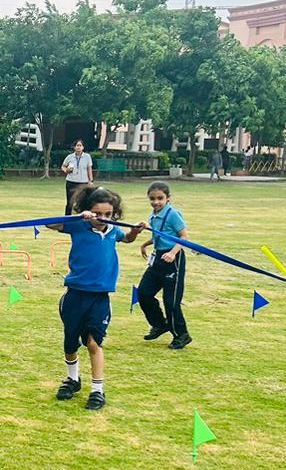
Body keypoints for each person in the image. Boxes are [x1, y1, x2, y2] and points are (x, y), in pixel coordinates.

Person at [47, 185, 143, 410]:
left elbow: (127, 239)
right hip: (75, 295)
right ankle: (73, 379)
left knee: (94, 343)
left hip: (99, 298)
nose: (103, 218)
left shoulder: (113, 231)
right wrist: (79, 217)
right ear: (88, 210)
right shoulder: (78, 226)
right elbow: (50, 223)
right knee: (71, 343)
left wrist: (135, 232)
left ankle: (97, 390)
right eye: (98, 213)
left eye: (108, 214)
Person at [135, 182, 190, 350]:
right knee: (143, 293)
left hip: (173, 259)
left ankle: (181, 335)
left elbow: (184, 237)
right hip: (158, 257)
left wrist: (173, 253)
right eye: (152, 199)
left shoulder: (173, 214)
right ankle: (159, 324)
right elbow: (160, 235)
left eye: (160, 198)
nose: (156, 202)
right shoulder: (153, 215)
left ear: (168, 198)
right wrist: (145, 244)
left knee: (171, 301)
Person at [60, 139, 94, 214]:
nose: (78, 147)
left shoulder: (87, 157)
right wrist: (66, 170)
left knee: (83, 201)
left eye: (80, 145)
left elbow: (89, 169)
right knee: (70, 202)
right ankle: (67, 218)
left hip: (83, 182)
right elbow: (63, 166)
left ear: (83, 147)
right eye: (77, 145)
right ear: (74, 147)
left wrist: (91, 180)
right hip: (71, 182)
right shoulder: (70, 157)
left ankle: (82, 217)